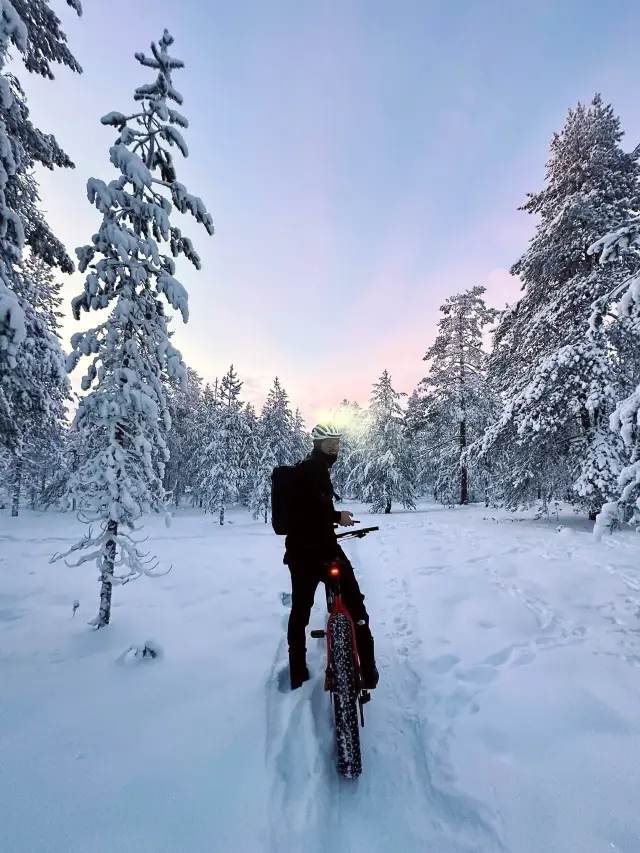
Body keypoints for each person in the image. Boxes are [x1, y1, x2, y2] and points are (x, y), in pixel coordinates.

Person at [283, 423, 380, 691]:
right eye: (329, 443)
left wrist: (330, 518)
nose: (334, 448)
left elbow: (306, 510)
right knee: (356, 605)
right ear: (317, 444)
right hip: (323, 551)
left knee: (300, 612)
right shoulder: (314, 469)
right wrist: (338, 517)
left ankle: (297, 671)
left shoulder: (306, 467)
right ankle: (369, 670)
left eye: (337, 443)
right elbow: (311, 510)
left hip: (299, 553)